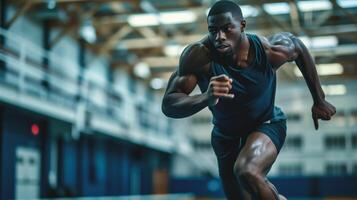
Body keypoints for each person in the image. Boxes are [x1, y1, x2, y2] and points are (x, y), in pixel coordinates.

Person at [161, 1, 336, 199]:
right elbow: (169, 104)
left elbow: (297, 46)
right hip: (225, 137)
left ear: (242, 25)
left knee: (247, 171)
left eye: (227, 29)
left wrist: (319, 99)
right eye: (213, 31)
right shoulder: (198, 56)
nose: (219, 37)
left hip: (266, 124)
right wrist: (205, 98)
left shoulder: (267, 51)